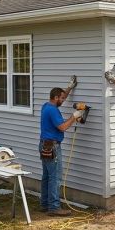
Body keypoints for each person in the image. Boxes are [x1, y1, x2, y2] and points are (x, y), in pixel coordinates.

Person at [39, 87, 83, 216]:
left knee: (47, 176)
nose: (63, 101)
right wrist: (74, 116)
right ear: (56, 97)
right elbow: (62, 127)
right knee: (55, 178)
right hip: (52, 147)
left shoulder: (46, 106)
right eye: (62, 98)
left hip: (44, 145)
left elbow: (61, 95)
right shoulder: (53, 110)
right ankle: (54, 207)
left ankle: (45, 204)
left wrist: (69, 88)